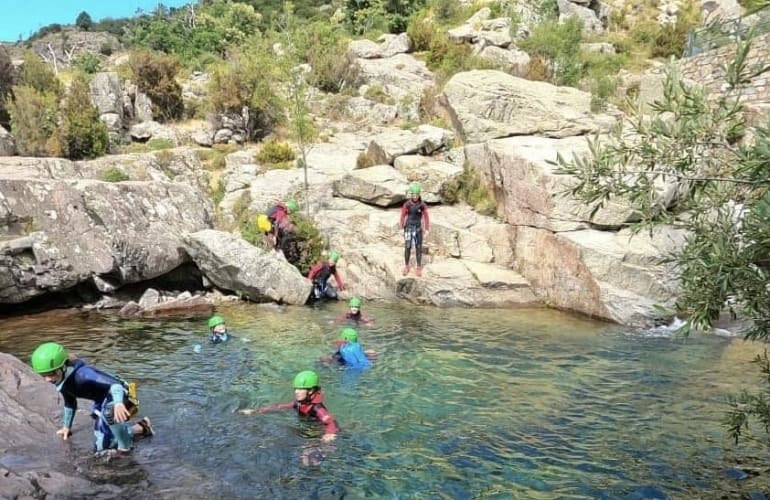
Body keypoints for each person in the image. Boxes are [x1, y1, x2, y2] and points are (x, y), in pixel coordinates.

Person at [30, 342, 153, 455]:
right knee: (102, 442)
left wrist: (118, 403)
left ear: (63, 367)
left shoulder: (84, 374)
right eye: (43, 375)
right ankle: (142, 427)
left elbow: (115, 386)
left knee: (108, 417)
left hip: (122, 396)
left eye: (52, 374)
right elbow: (70, 402)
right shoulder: (62, 381)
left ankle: (125, 447)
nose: (48, 379)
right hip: (104, 400)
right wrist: (66, 427)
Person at [239, 370, 338, 443]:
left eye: (300, 389)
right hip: (306, 428)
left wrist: (329, 434)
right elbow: (280, 407)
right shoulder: (300, 403)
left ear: (311, 391)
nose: (296, 392)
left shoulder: (317, 408)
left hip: (316, 432)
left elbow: (330, 422)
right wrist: (256, 411)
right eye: (296, 388)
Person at [399, 182, 430, 277]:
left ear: (419, 194)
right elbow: (402, 216)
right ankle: (406, 266)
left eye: (416, 194)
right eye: (413, 194)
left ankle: (419, 267)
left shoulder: (422, 205)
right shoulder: (407, 204)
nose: (415, 196)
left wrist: (427, 229)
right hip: (408, 228)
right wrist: (401, 228)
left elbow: (426, 217)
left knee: (418, 247)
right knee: (407, 246)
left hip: (418, 228)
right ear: (411, 194)